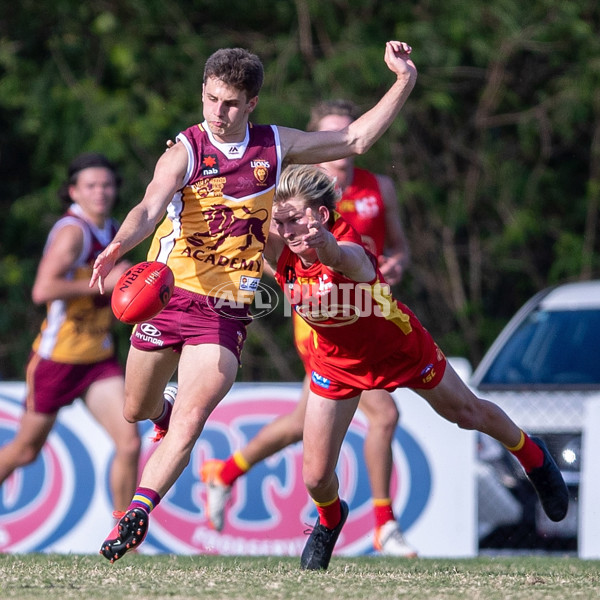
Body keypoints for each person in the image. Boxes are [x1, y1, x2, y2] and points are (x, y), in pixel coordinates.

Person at [90, 41, 418, 563]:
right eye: (213, 100)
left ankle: (136, 513)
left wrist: (403, 79)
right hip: (167, 295)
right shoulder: (187, 149)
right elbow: (149, 205)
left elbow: (354, 139)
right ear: (203, 93)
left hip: (225, 305)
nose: (220, 113)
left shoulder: (275, 146)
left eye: (232, 104)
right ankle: (161, 408)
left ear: (253, 104)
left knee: (193, 416)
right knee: (138, 410)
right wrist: (118, 245)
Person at [261, 163, 568, 570]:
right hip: (334, 363)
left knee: (467, 413)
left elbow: (341, 257)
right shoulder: (281, 245)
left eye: (296, 219)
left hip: (399, 348)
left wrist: (325, 244)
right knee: (316, 478)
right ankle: (330, 520)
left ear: (321, 214)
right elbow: (242, 219)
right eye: (279, 221)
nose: (287, 229)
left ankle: (533, 455)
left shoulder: (347, 248)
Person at [200, 99, 417, 557]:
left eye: (348, 133)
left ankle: (224, 472)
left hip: (370, 305)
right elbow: (259, 246)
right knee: (385, 414)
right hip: (322, 317)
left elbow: (397, 245)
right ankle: (384, 523)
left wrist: (395, 262)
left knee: (303, 423)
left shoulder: (381, 188)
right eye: (330, 136)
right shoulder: (288, 196)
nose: (340, 147)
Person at [0, 153, 141, 517]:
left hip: (97, 360)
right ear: (73, 192)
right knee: (25, 452)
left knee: (128, 443)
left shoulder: (113, 228)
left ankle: (125, 536)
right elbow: (42, 290)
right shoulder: (73, 232)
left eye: (107, 184)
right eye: (91, 185)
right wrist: (103, 285)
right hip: (57, 359)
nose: (101, 192)